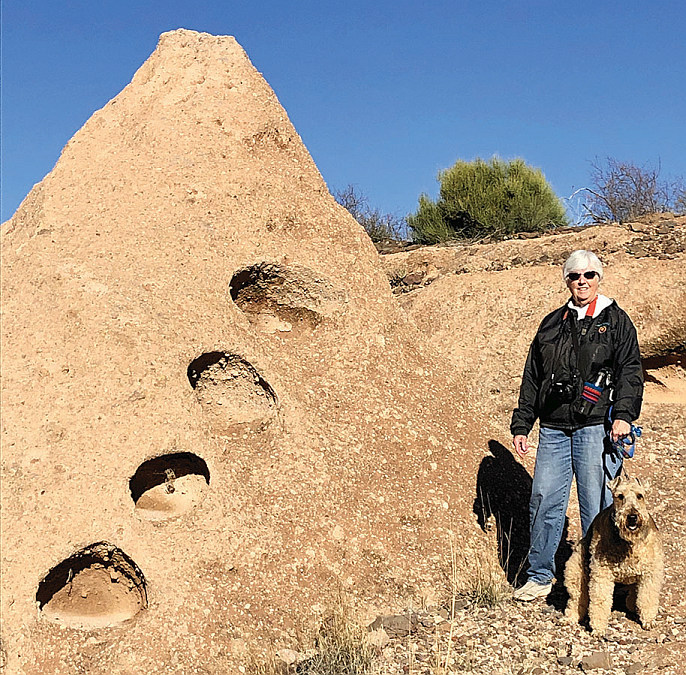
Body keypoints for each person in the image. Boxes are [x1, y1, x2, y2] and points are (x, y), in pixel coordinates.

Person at [510, 250, 643, 601]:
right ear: (566, 280)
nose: (581, 282)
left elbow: (630, 371)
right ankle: (539, 576)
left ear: (599, 278)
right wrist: (522, 424)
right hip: (553, 427)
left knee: (597, 505)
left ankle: (603, 580)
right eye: (574, 276)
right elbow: (532, 377)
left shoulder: (616, 321)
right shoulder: (552, 323)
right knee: (543, 499)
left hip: (596, 426)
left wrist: (624, 417)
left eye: (588, 275)